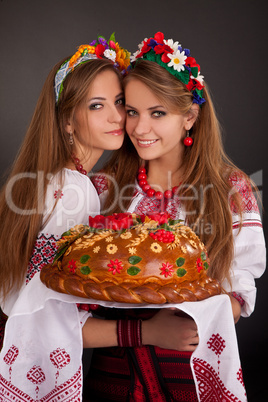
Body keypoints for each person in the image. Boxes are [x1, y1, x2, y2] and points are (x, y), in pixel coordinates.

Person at [83, 32, 266, 401]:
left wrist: (193, 321)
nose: (140, 128)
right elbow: (65, 302)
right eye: (132, 112)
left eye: (157, 113)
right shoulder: (100, 188)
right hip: (113, 371)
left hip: (190, 367)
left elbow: (240, 288)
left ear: (190, 117)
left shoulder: (231, 189)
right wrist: (144, 330)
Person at [0, 34, 131, 399]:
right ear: (67, 122)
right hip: (30, 369)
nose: (117, 116)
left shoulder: (53, 178)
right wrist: (146, 333)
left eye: (119, 102)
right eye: (96, 105)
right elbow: (48, 319)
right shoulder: (73, 191)